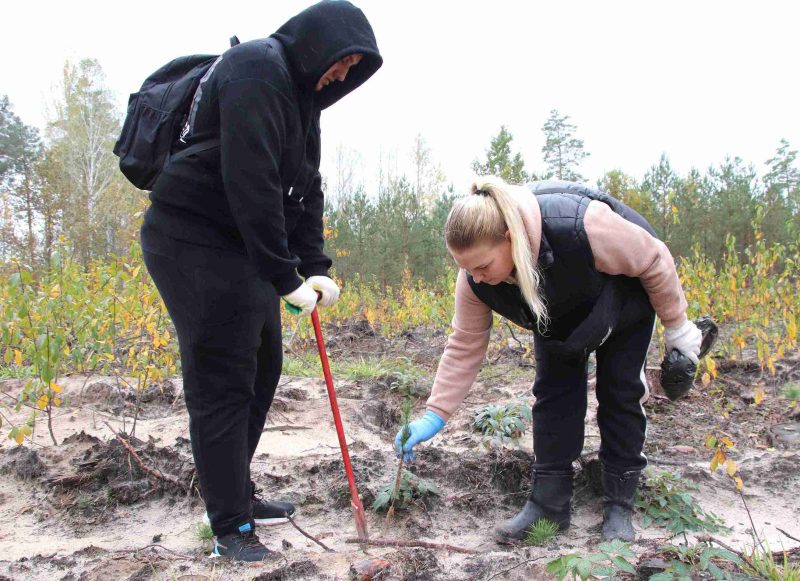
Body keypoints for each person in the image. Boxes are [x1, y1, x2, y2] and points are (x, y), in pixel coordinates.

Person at [139, 1, 382, 561]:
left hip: (237, 245)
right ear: (316, 41)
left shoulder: (301, 103)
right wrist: (281, 273)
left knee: (263, 364)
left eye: (353, 68)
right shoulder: (255, 68)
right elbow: (250, 180)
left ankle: (236, 494)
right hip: (192, 239)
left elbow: (305, 185)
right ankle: (230, 528)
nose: (342, 75)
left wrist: (315, 265)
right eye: (341, 61)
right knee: (224, 377)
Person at [396, 176, 702, 543]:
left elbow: (654, 258)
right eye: (467, 269)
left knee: (619, 392)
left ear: (509, 238)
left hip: (624, 298)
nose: (476, 277)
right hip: (558, 313)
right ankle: (549, 506)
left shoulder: (580, 226)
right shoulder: (476, 280)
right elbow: (464, 343)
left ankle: (619, 505)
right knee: (553, 395)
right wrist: (434, 415)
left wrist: (677, 328)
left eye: (482, 265)